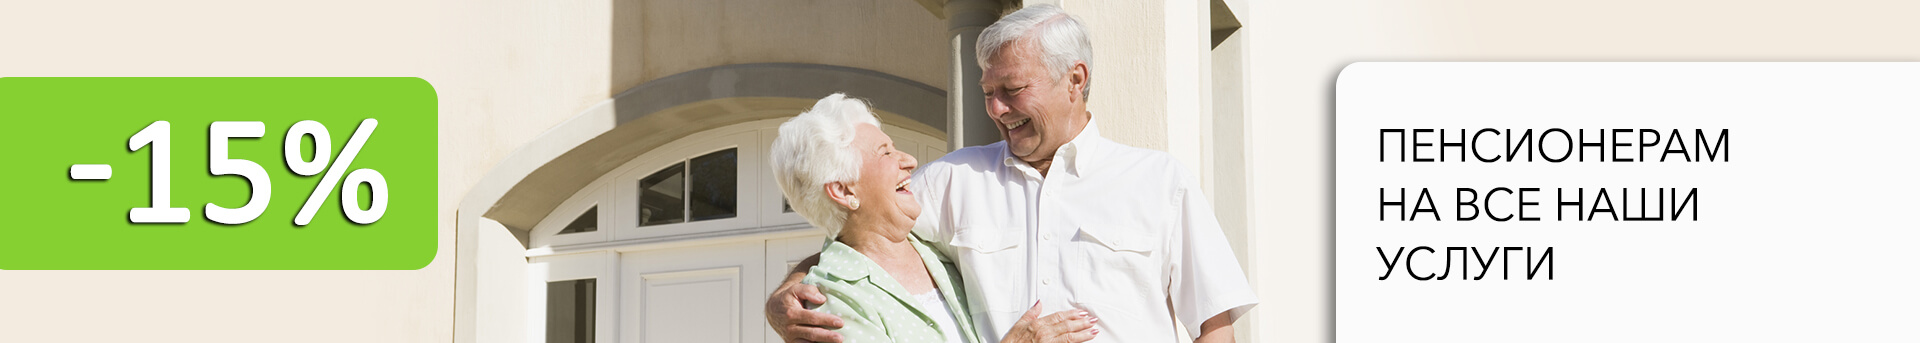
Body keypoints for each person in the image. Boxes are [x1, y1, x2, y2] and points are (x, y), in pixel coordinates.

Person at [768, 5, 1257, 343]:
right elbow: (861, 227)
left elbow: (1213, 326)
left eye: (1013, 88)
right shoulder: (955, 180)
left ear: (1075, 79)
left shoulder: (1159, 181)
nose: (997, 108)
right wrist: (786, 290)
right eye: (987, 91)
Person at [768, 93, 1096, 343]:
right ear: (843, 191)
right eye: (885, 152)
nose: (909, 160)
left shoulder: (929, 237)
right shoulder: (830, 303)